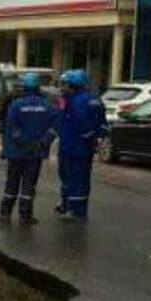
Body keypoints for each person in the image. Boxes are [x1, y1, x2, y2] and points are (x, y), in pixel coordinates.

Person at [0, 73, 57, 224]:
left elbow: (12, 128)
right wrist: (41, 143)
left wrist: (23, 143)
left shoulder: (16, 105)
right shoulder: (47, 105)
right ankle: (25, 215)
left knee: (12, 183)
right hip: (35, 153)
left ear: (23, 87)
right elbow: (54, 127)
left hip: (16, 152)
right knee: (29, 185)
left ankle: (5, 213)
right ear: (37, 88)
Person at [56, 69, 107, 221]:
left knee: (74, 178)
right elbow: (103, 123)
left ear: (73, 85)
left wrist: (90, 137)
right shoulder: (95, 99)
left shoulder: (76, 102)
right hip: (84, 147)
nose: (61, 88)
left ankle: (75, 210)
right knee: (82, 179)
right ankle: (76, 208)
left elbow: (81, 123)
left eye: (64, 84)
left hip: (74, 146)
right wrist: (98, 138)